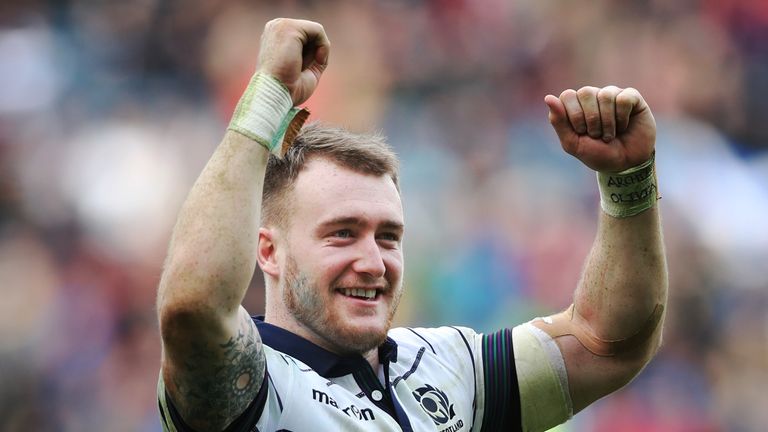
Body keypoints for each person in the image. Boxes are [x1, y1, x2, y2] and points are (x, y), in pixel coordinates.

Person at [156, 18, 668, 432]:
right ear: (267, 251)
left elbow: (606, 342)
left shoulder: (453, 370)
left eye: (388, 236)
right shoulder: (250, 385)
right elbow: (192, 306)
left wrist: (627, 180)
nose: (373, 262)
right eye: (342, 233)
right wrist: (267, 97)